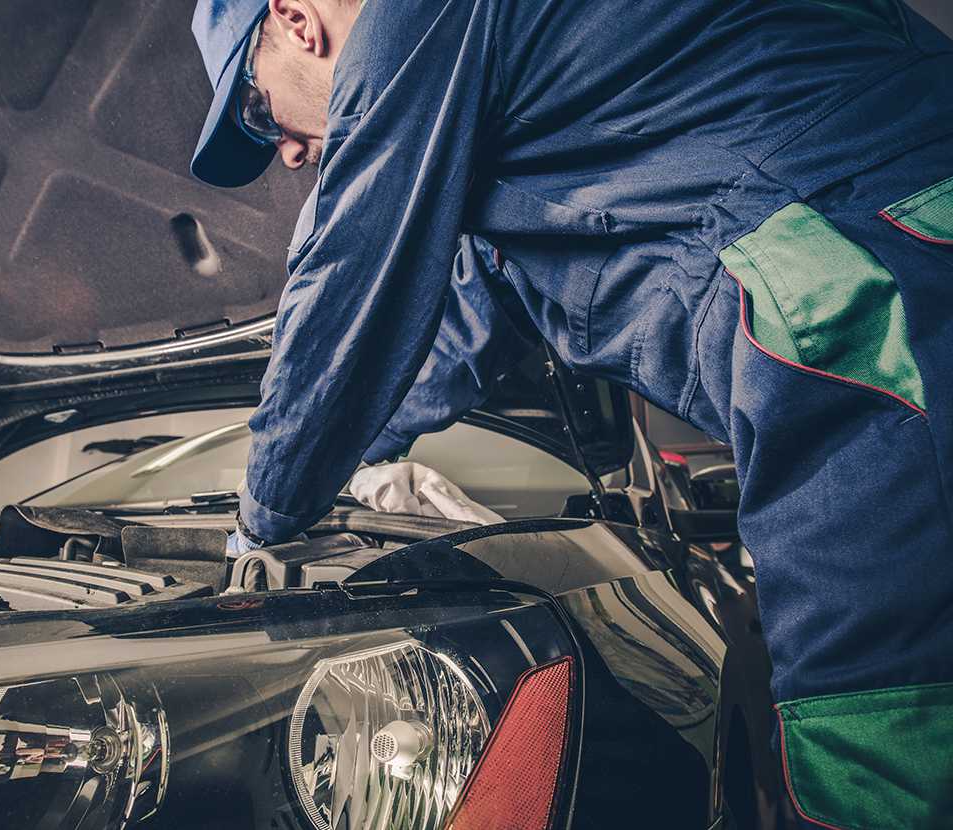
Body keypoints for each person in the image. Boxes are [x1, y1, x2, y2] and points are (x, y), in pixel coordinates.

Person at [190, 0, 953, 824]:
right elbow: (457, 322)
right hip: (881, 259)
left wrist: (259, 525)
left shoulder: (411, 22)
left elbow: (348, 283)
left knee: (879, 725)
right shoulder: (526, 105)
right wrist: (348, 460)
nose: (292, 154)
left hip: (868, 297)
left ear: (300, 19)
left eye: (257, 111)